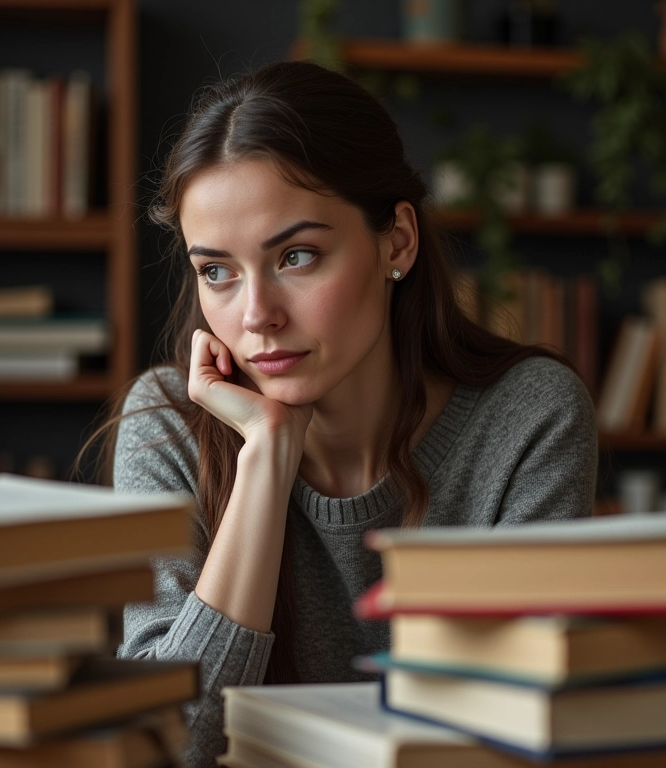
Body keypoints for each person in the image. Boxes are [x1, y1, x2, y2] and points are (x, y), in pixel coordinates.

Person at [110, 60, 597, 767]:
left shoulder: (527, 420)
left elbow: (522, 734)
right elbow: (167, 748)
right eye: (216, 271)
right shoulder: (169, 421)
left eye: (297, 256)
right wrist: (267, 461)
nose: (256, 317)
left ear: (395, 241)